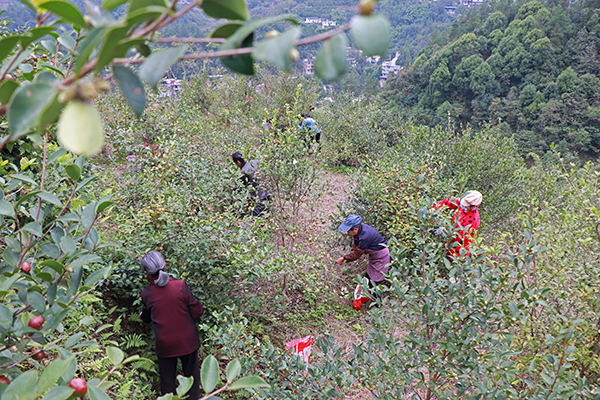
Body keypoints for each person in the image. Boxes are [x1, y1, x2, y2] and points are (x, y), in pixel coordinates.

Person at [139, 251, 203, 400]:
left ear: (147, 273)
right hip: (188, 341)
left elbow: (146, 318)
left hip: (165, 344)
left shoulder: (147, 293)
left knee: (167, 384)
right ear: (165, 265)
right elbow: (197, 312)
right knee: (191, 380)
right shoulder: (180, 286)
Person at [336, 215, 391, 290]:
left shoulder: (364, 237)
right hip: (375, 256)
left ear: (355, 229)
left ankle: (378, 300)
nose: (348, 232)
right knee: (368, 276)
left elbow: (356, 254)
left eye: (349, 231)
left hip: (381, 257)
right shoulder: (361, 229)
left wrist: (343, 259)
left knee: (375, 283)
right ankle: (368, 296)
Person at [431, 190, 482, 258]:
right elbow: (448, 203)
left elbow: (460, 237)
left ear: (472, 206)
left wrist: (444, 232)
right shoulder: (463, 203)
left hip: (459, 251)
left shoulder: (473, 220)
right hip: (449, 241)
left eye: (465, 205)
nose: (462, 205)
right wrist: (434, 207)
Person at [231, 151, 270, 217]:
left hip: (259, 196)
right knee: (265, 215)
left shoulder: (244, 171)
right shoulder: (255, 161)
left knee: (256, 218)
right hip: (267, 191)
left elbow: (242, 186)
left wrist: (234, 188)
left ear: (238, 162)